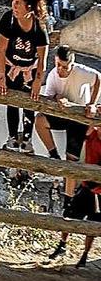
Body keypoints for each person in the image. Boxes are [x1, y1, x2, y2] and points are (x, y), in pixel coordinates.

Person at [34, 45, 100, 197]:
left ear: (72, 64)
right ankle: (53, 154)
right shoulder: (52, 75)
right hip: (62, 114)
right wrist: (57, 99)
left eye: (64, 67)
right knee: (40, 120)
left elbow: (98, 79)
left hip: (79, 118)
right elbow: (48, 99)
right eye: (58, 65)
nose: (60, 69)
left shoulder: (82, 71)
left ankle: (68, 198)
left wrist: (92, 103)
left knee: (71, 161)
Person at [0, 0, 49, 153]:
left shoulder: (39, 26)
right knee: (11, 100)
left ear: (29, 5)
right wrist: (1, 76)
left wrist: (38, 82)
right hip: (11, 67)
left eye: (18, 2)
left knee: (29, 103)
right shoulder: (8, 19)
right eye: (13, 1)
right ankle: (12, 137)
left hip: (30, 70)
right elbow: (1, 49)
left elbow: (42, 58)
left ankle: (27, 139)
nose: (14, 6)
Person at [49, 122, 101, 267]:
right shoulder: (93, 134)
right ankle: (62, 245)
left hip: (99, 188)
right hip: (87, 183)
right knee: (69, 215)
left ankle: (85, 254)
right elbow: (88, 127)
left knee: (94, 223)